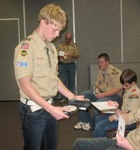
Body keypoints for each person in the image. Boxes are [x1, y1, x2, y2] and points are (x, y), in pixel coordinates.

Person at [14, 4, 83, 150]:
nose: (58, 34)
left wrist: (71, 96)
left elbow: (53, 78)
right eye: (55, 29)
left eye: (60, 30)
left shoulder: (51, 48)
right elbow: (25, 85)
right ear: (43, 22)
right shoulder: (26, 48)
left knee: (50, 147)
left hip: (50, 105)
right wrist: (51, 109)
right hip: (33, 110)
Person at [74, 53, 122, 131]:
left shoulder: (115, 72)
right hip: (102, 94)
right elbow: (97, 85)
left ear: (107, 62)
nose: (99, 64)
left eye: (101, 62)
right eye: (98, 62)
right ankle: (83, 121)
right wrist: (96, 91)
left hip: (113, 96)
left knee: (98, 104)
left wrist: (102, 95)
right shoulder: (100, 71)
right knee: (83, 95)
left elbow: (117, 89)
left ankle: (91, 125)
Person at [93, 69, 140, 137]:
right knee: (98, 118)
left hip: (130, 122)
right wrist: (115, 105)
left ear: (133, 83)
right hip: (123, 115)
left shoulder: (135, 95)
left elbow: (131, 116)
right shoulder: (128, 90)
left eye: (125, 85)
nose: (123, 87)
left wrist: (116, 117)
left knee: (100, 126)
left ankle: (100, 145)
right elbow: (125, 108)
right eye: (123, 84)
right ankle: (97, 140)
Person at [57, 32, 79, 101]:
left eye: (69, 39)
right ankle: (63, 98)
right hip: (62, 65)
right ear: (65, 38)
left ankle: (70, 97)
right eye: (66, 39)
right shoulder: (60, 45)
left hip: (71, 65)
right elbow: (57, 55)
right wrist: (60, 56)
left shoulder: (74, 46)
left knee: (71, 81)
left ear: (71, 39)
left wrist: (71, 55)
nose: (67, 40)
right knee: (63, 81)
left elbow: (77, 55)